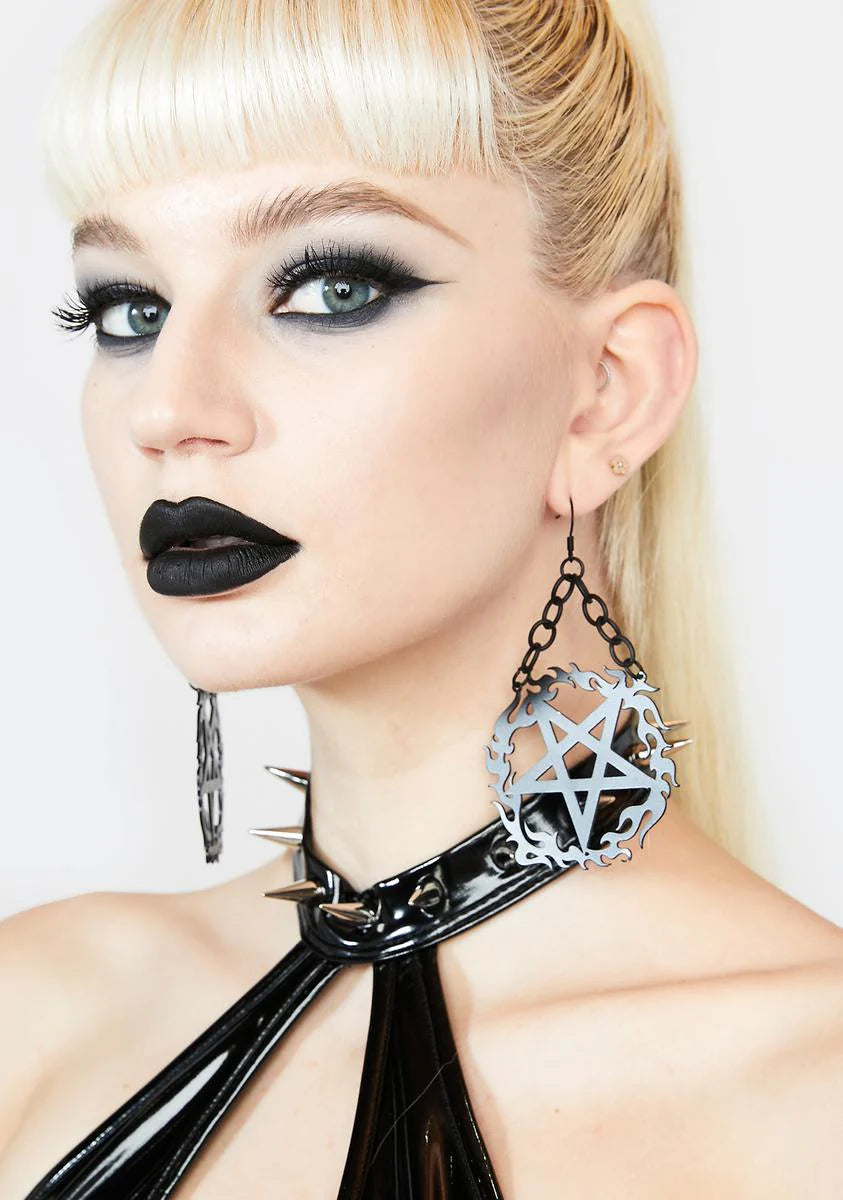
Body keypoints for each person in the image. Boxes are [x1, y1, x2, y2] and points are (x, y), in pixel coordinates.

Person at [3, 0, 842, 1195]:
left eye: (332, 289)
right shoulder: (33, 1019)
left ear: (609, 391)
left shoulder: (812, 1093)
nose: (169, 408)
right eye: (129, 309)